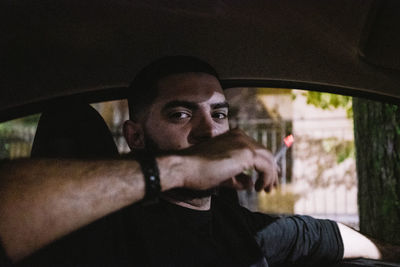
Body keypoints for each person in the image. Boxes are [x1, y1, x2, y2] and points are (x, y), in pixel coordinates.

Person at [0, 56, 386, 266]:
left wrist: (387, 252)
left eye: (218, 115)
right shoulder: (102, 236)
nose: (209, 131)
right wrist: (183, 167)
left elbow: (317, 236)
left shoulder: (238, 226)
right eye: (181, 115)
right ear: (135, 136)